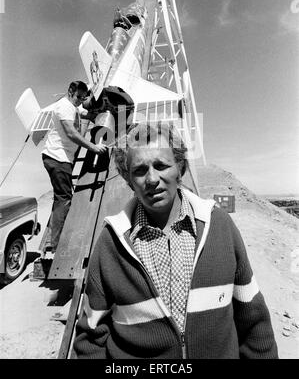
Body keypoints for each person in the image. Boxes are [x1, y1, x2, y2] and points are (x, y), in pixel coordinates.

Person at [73, 121, 278, 359]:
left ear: (180, 168)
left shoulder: (220, 228)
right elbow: (90, 338)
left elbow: (254, 323)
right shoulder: (111, 244)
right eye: (139, 170)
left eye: (161, 165)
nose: (152, 179)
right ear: (128, 178)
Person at [41, 80, 107, 254]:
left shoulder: (73, 106)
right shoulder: (64, 107)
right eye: (78, 97)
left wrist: (96, 114)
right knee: (64, 199)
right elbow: (71, 133)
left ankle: (53, 240)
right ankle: (56, 246)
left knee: (61, 197)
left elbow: (83, 112)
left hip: (61, 158)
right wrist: (93, 147)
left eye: (82, 97)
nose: (80, 100)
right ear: (70, 91)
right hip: (58, 158)